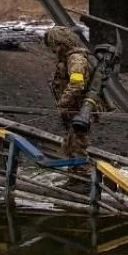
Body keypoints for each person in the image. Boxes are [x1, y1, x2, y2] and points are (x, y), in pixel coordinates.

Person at [44, 26, 94, 181]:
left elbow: (77, 84)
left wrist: (62, 103)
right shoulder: (69, 58)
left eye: (54, 46)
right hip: (72, 111)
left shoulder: (76, 60)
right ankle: (76, 176)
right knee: (70, 144)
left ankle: (83, 178)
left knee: (77, 144)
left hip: (78, 110)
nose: (53, 50)